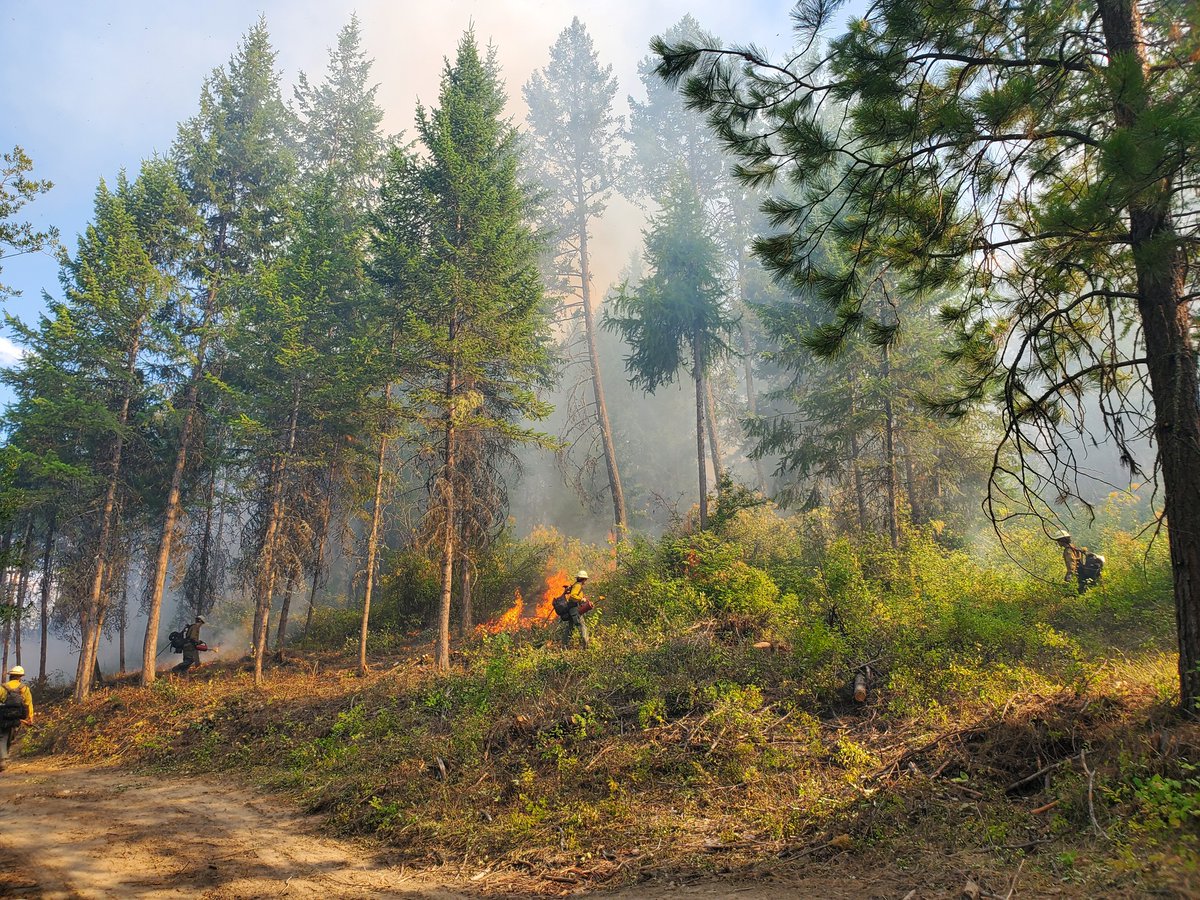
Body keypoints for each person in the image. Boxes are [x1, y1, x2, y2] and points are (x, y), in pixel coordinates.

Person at [0, 665, 34, 772]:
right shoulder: (24, 688)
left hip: (3, 717)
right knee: (11, 737)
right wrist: (30, 718)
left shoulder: (2, 687)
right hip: (18, 717)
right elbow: (28, 704)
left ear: (10, 676)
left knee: (2, 737)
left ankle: (3, 760)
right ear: (20, 677)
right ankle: (4, 758)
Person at [561, 570, 592, 649]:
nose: (585, 581)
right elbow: (573, 596)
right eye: (585, 579)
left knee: (570, 627)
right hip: (575, 609)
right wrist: (581, 599)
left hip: (572, 609)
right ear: (583, 579)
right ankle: (585, 645)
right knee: (581, 625)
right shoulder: (578, 585)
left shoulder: (576, 585)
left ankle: (564, 645)